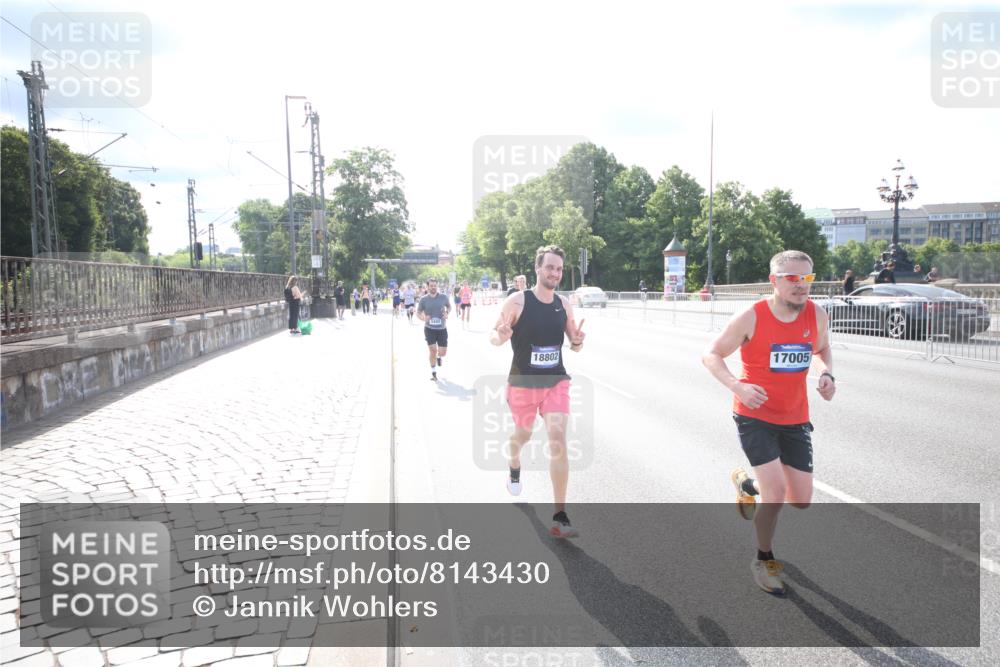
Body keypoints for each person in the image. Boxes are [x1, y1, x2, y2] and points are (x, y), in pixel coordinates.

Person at [702, 250, 836, 596]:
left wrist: (826, 374)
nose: (801, 285)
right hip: (755, 416)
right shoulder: (752, 317)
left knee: (801, 499)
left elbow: (821, 350)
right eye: (792, 278)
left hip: (795, 417)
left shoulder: (817, 314)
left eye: (807, 278)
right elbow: (711, 354)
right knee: (775, 494)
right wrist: (738, 387)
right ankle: (763, 559)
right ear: (774, 281)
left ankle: (748, 486)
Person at [490, 245, 586, 538]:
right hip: (522, 384)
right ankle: (514, 464)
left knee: (558, 439)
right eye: (550, 267)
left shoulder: (563, 304)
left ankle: (560, 515)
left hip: (556, 382)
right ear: (538, 268)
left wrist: (578, 341)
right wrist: (500, 336)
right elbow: (494, 335)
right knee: (523, 435)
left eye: (559, 269)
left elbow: (575, 345)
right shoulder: (517, 302)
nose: (555, 273)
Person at [417, 278, 451, 381]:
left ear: (437, 286)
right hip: (429, 329)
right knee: (432, 350)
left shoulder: (443, 297)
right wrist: (423, 318)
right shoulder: (423, 299)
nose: (433, 287)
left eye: (435, 285)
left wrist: (447, 313)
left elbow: (449, 307)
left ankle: (439, 357)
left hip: (442, 329)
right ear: (427, 287)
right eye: (431, 286)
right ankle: (433, 371)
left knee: (443, 352)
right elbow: (418, 312)